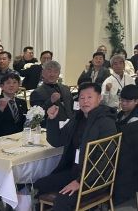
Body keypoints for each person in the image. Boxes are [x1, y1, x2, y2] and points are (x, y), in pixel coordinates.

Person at [34, 82, 117, 211]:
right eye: (82, 98)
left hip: (95, 179)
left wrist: (80, 181)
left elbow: (103, 160)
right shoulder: (77, 118)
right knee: (40, 185)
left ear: (99, 98)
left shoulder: (106, 123)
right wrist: (52, 120)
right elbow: (57, 141)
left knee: (63, 199)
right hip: (74, 172)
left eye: (89, 97)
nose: (85, 101)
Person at [0, 73, 28, 137]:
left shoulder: (22, 102)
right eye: (8, 83)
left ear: (18, 86)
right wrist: (1, 108)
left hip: (20, 136)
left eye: (14, 82)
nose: (11, 85)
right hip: (2, 138)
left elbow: (25, 121)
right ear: (2, 86)